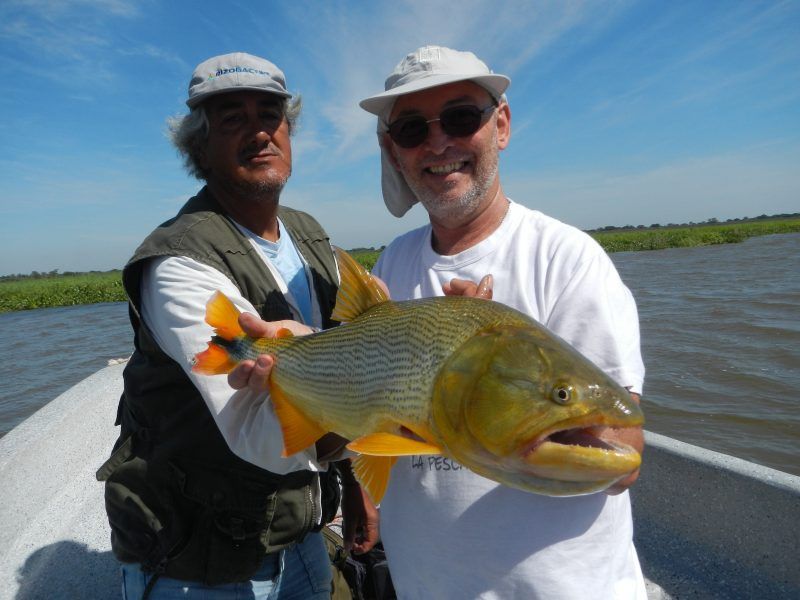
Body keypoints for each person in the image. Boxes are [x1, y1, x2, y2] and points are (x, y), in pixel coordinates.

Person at [354, 45, 647, 599]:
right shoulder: (393, 260)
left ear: (501, 125)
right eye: (413, 129)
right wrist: (367, 494)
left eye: (461, 118)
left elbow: (625, 458)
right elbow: (380, 414)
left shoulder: (565, 259)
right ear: (393, 152)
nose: (438, 143)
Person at [96, 52, 373, 599]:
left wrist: (360, 486)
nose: (259, 132)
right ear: (199, 147)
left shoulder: (308, 233)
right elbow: (259, 433)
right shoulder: (176, 261)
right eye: (232, 120)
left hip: (301, 535)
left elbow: (353, 345)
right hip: (201, 563)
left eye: (271, 115)